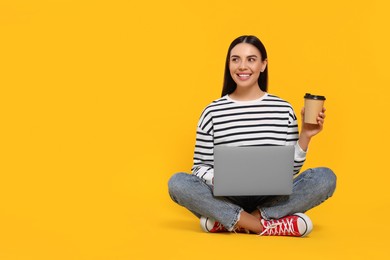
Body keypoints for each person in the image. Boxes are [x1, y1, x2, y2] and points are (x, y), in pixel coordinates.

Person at [168, 35, 336, 237]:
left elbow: (290, 170)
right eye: (235, 59)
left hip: (271, 197)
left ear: (263, 65)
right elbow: (199, 168)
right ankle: (264, 226)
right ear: (228, 64)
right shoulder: (212, 111)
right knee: (178, 183)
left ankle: (231, 221)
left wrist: (306, 135)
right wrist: (221, 178)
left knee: (325, 178)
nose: (242, 66)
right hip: (227, 196)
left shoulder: (283, 110)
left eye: (251, 59)